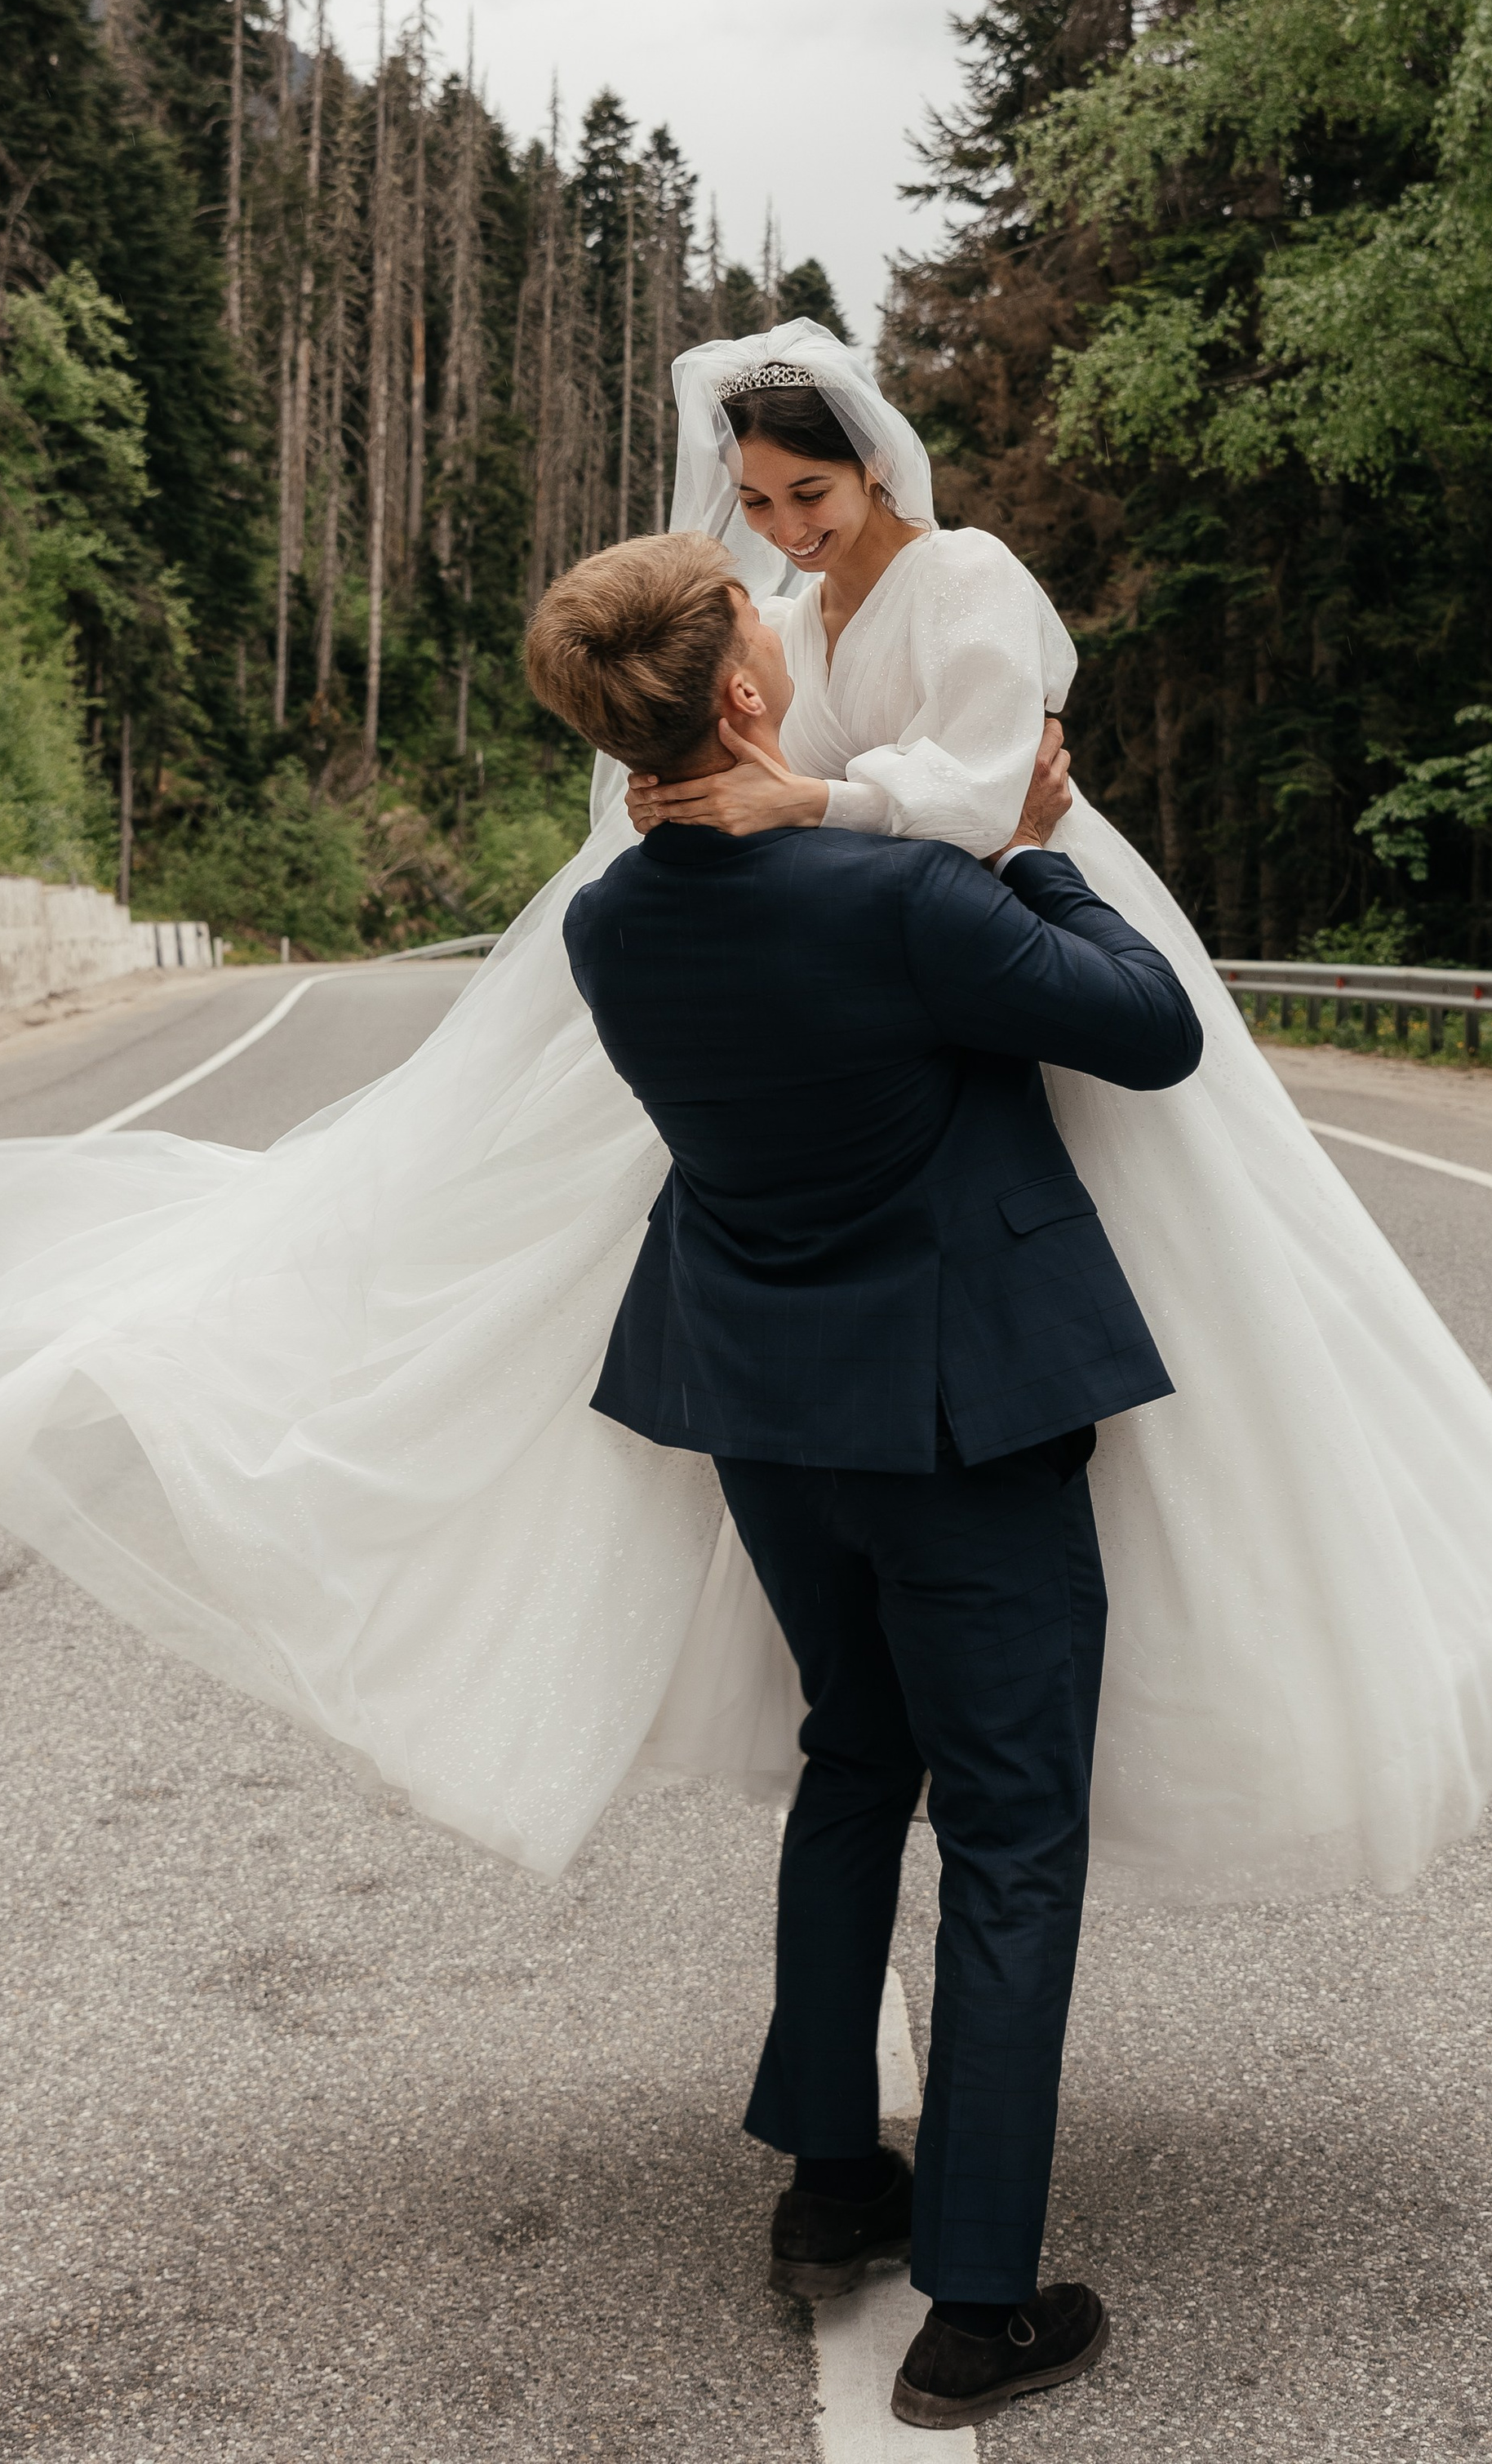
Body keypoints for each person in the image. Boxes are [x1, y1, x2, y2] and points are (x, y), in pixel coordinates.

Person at [0, 315, 1492, 1907]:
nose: (787, 529)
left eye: (811, 493)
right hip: (880, 970)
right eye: (760, 504)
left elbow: (985, 785)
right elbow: (724, 762)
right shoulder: (783, 622)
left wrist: (810, 802)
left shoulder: (967, 576)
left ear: (875, 462)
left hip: (999, 924)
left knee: (1170, 1313)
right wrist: (725, 818)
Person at [537, 525, 1202, 2425]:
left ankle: (834, 2182)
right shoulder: (900, 896)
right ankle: (977, 2306)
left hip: (766, 1418)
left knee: (855, 1759)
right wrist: (1029, 852)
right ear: (748, 693)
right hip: (959, 1424)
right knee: (1011, 1832)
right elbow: (1148, 1030)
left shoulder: (607, 925)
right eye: (761, 625)